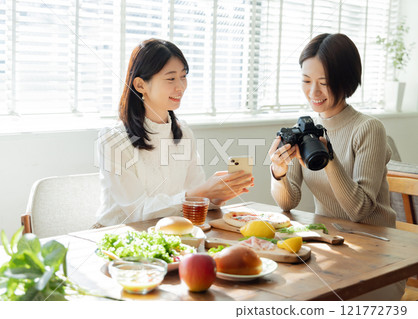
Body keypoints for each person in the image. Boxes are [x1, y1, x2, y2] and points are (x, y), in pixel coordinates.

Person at [268, 33, 404, 300]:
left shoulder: (369, 128)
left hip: (379, 254)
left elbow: (359, 210)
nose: (313, 92)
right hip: (331, 246)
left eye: (324, 83)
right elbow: (288, 202)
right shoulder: (304, 129)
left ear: (345, 81)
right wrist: (278, 172)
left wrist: (328, 159)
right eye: (306, 81)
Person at [95, 38, 253, 227]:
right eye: (170, 78)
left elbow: (194, 197)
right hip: (119, 236)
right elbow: (138, 213)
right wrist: (203, 191)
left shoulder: (183, 132)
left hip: (169, 232)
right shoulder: (113, 139)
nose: (180, 87)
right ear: (140, 85)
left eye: (183, 76)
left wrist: (218, 195)